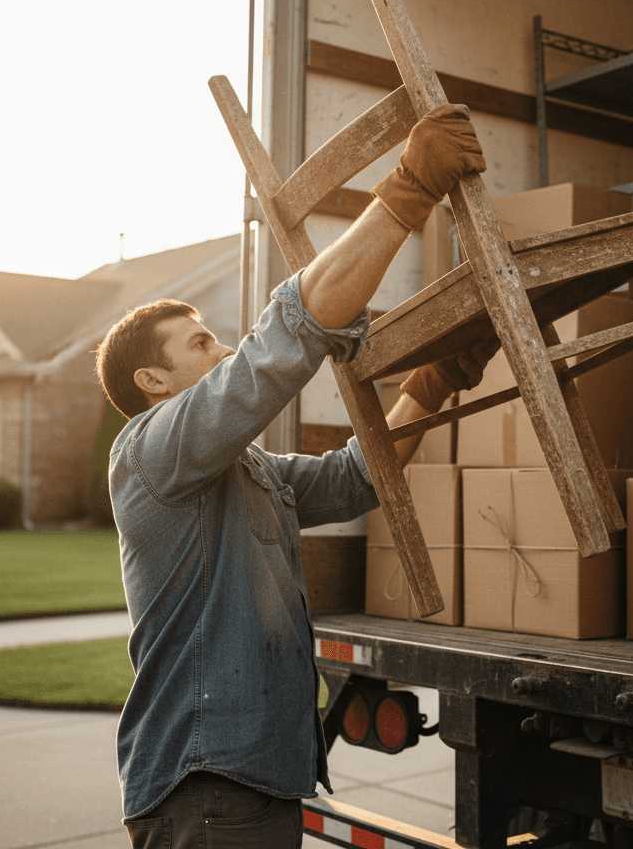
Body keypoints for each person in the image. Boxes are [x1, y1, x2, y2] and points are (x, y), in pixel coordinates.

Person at [96, 105, 492, 848]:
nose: (220, 352)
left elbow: (352, 478)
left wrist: (430, 386)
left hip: (254, 780)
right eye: (200, 343)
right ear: (152, 379)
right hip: (203, 785)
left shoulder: (244, 472)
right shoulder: (149, 454)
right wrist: (407, 189)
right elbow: (275, 352)